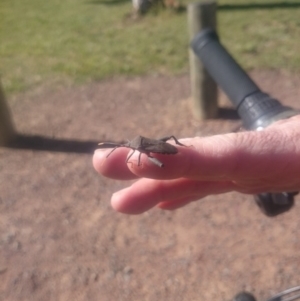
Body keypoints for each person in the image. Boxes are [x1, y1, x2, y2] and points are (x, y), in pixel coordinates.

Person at [93, 115, 300, 214]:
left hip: (164, 151)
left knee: (151, 163)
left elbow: (137, 156)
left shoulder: (138, 149)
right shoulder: (137, 147)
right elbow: (137, 155)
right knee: (149, 159)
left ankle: (179, 150)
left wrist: (137, 156)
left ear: (132, 146)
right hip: (160, 148)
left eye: (129, 147)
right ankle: (177, 149)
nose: (129, 148)